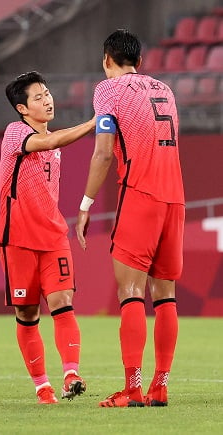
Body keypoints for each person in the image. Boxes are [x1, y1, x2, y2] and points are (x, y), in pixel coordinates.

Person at [76, 29, 184, 408]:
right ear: (139, 61)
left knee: (131, 293)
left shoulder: (108, 90)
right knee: (165, 295)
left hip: (141, 195)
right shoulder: (165, 90)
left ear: (107, 59)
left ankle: (132, 388)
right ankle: (160, 385)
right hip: (175, 199)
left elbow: (104, 153)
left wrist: (86, 203)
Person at [0, 71, 95, 404]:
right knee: (26, 313)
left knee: (62, 302)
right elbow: (51, 141)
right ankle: (42, 386)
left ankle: (71, 373)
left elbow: (54, 141)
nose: (48, 100)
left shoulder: (54, 141)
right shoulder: (16, 133)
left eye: (48, 93)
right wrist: (94, 123)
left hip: (54, 237)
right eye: (38, 97)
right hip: (19, 239)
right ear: (22, 108)